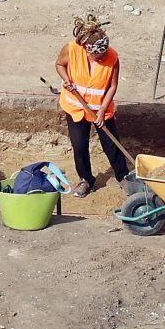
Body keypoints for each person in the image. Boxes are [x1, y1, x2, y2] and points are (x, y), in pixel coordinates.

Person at [55, 14, 127, 197]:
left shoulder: (113, 57)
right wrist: (67, 80)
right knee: (79, 146)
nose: (101, 58)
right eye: (97, 55)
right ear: (87, 49)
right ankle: (85, 179)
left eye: (103, 54)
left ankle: (123, 177)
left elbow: (113, 86)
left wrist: (102, 111)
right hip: (76, 108)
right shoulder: (71, 49)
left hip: (101, 109)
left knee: (111, 144)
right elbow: (59, 65)